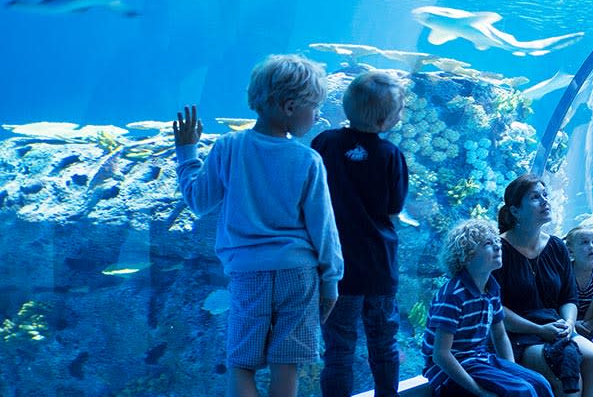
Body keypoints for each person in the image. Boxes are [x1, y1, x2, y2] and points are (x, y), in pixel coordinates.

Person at [173, 54, 343, 397]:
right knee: (286, 363)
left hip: (248, 274)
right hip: (298, 273)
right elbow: (323, 227)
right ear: (291, 106)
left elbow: (198, 201)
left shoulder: (228, 148)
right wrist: (331, 281)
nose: (317, 116)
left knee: (242, 364)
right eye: (315, 107)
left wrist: (187, 152)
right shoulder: (307, 160)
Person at [313, 70, 410, 397]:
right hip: (379, 266)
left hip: (336, 267)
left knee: (338, 350)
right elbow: (394, 208)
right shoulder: (391, 155)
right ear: (386, 122)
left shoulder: (325, 143)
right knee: (383, 343)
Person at [494, 175, 593, 397]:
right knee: (566, 374)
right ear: (516, 211)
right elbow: (495, 308)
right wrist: (537, 329)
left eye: (545, 195)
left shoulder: (556, 246)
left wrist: (568, 323)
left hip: (556, 329)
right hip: (519, 335)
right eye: (535, 197)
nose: (545, 201)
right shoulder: (499, 250)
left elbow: (569, 297)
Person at [421, 219, 554, 397]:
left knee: (540, 383)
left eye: (497, 242)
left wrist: (512, 371)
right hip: (449, 370)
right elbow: (441, 355)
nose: (498, 247)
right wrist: (479, 392)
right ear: (466, 255)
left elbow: (499, 335)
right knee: (522, 391)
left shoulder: (492, 288)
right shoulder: (453, 295)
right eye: (488, 244)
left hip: (480, 359)